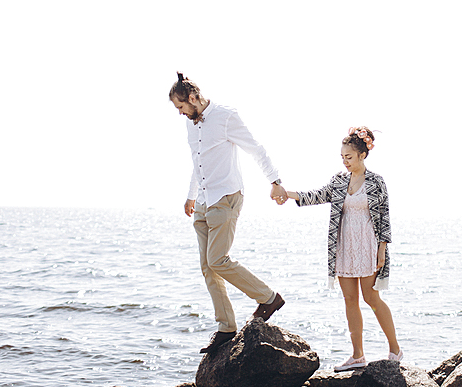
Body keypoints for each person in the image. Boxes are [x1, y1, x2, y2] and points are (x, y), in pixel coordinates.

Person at [169, 72, 286, 354]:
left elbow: (255, 149)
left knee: (218, 259)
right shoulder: (191, 125)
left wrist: (275, 181)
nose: (181, 113)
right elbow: (197, 161)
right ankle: (226, 327)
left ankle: (268, 298)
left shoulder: (225, 116)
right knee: (208, 267)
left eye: (181, 107)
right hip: (203, 202)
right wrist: (190, 196)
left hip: (226, 196)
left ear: (194, 98)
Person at [274, 126, 401, 371]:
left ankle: (395, 349)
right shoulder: (339, 180)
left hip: (368, 244)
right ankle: (357, 356)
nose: (345, 161)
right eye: (342, 157)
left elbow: (385, 218)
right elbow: (317, 195)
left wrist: (382, 250)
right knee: (350, 299)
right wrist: (286, 193)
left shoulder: (376, 182)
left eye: (349, 157)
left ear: (363, 155)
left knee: (371, 297)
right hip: (343, 245)